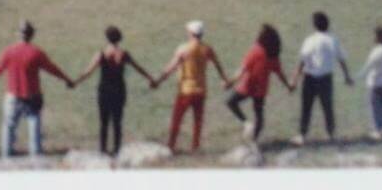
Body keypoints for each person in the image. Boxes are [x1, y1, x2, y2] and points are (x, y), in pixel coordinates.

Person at [0, 20, 75, 157]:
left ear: (18, 34)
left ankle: (5, 159)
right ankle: (35, 160)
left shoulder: (9, 51)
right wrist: (67, 79)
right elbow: (52, 69)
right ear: (32, 35)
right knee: (34, 131)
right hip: (33, 96)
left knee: (8, 128)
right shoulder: (36, 53)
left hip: (13, 96)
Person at [73, 26, 155, 156]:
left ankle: (103, 149)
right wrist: (151, 79)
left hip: (104, 90)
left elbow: (88, 72)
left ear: (107, 38)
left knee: (104, 122)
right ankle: (117, 149)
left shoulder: (101, 54)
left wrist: (75, 82)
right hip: (119, 90)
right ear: (119, 39)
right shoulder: (124, 54)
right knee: (117, 121)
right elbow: (139, 68)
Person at [153, 20, 229, 154]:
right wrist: (224, 80)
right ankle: (195, 146)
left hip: (186, 90)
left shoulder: (184, 48)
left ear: (190, 33)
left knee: (177, 119)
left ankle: (171, 145)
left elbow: (171, 67)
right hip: (201, 89)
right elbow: (218, 65)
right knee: (198, 120)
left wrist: (158, 80)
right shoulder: (207, 49)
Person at [290, 12, 353, 145]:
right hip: (326, 79)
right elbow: (342, 59)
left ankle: (302, 135)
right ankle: (331, 134)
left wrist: (294, 80)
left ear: (314, 25)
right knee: (327, 107)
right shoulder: (333, 39)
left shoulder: (310, 40)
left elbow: (302, 61)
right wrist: (347, 76)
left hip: (310, 78)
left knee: (306, 107)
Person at [224, 24, 292, 143]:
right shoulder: (273, 55)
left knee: (230, 102)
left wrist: (230, 82)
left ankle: (246, 123)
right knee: (259, 114)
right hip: (261, 89)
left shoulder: (256, 50)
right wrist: (288, 86)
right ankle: (254, 139)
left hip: (248, 85)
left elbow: (243, 69)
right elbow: (280, 74)